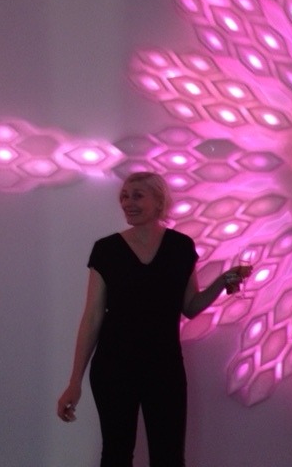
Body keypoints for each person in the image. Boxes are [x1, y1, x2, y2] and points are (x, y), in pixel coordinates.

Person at [57, 171, 251, 467]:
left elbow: (190, 306)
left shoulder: (181, 247)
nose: (128, 203)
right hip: (113, 367)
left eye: (137, 196)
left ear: (160, 202)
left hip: (164, 367)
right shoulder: (106, 250)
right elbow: (92, 317)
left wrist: (222, 281)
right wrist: (74, 382)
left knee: (169, 457)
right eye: (124, 196)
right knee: (116, 455)